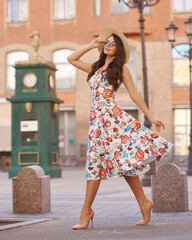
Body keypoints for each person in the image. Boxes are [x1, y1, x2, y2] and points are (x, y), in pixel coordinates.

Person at [67, 27, 174, 230]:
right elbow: (71, 59)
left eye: (113, 44)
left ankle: (86, 211)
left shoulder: (121, 69)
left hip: (112, 121)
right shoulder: (94, 68)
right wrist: (90, 45)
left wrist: (150, 116)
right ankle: (144, 203)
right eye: (107, 42)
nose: (108, 45)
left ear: (119, 50)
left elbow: (134, 94)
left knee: (97, 165)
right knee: (123, 164)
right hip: (97, 123)